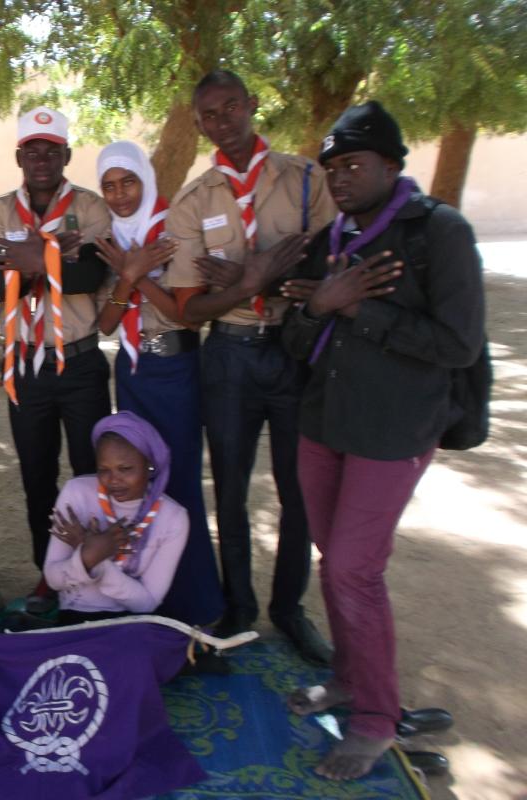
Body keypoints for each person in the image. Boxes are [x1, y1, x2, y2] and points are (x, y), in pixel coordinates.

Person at [279, 102, 485, 780]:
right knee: (333, 558)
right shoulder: (331, 235)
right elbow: (298, 335)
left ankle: (374, 717)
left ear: (392, 165)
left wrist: (357, 308)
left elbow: (457, 344)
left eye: (354, 164)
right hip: (324, 424)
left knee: (352, 570)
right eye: (332, 166)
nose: (340, 177)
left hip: (392, 432)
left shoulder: (439, 233)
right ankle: (347, 674)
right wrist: (316, 307)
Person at [165, 71, 336, 663]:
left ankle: (289, 607)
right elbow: (189, 309)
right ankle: (238, 604)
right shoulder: (193, 202)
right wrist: (257, 279)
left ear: (253, 105)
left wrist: (241, 276)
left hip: (294, 350)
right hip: (230, 353)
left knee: (300, 491)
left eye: (231, 106)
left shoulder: (310, 181)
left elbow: (331, 273)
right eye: (209, 115)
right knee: (231, 489)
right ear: (199, 124)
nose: (223, 120)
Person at [0, 106, 113, 607]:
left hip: (79, 363)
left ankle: (94, 575)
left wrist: (29, 259)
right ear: (20, 156)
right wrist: (58, 255)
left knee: (87, 473)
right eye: (32, 150)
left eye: (51, 151)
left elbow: (91, 277)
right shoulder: (0, 210)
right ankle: (49, 574)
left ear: (66, 155)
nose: (41, 159)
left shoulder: (90, 206)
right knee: (38, 477)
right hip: (25, 365)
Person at [93, 141, 224, 627]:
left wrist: (136, 273)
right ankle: (149, 603)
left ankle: (200, 608)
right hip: (131, 373)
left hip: (175, 371)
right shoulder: (113, 237)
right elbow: (107, 323)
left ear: (145, 179)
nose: (120, 194)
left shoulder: (173, 226)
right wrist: (128, 276)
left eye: (128, 182)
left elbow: (182, 315)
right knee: (138, 489)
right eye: (109, 185)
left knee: (181, 489)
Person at [45, 412, 188, 626]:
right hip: (75, 616)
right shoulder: (77, 493)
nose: (113, 480)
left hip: (132, 624)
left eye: (125, 469)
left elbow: (146, 603)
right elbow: (53, 579)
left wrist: (94, 557)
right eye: (104, 470)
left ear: (149, 464)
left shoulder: (173, 518)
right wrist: (88, 556)